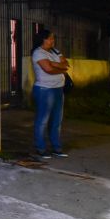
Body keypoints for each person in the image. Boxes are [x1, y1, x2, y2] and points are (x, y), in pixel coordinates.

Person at [31, 29, 70, 159]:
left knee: (56, 120)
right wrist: (59, 67)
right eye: (50, 38)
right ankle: (41, 148)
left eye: (53, 38)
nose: (52, 41)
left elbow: (66, 65)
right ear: (43, 39)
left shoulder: (55, 51)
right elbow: (48, 69)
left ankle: (56, 148)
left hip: (58, 89)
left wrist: (55, 64)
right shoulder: (38, 53)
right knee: (43, 120)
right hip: (44, 90)